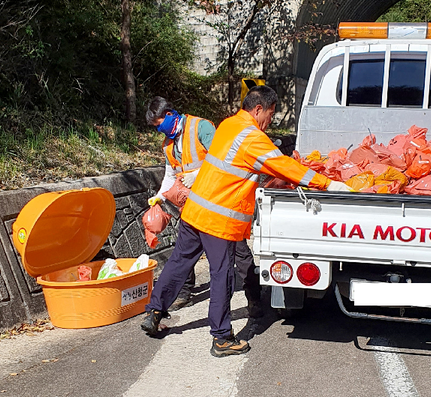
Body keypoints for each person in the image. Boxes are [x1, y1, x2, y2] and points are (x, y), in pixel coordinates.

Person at [141, 86, 352, 357]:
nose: (270, 121)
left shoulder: (229, 124)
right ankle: (221, 338)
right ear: (258, 109)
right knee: (222, 276)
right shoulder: (252, 137)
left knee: (179, 263)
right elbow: (284, 166)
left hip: (194, 211)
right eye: (271, 115)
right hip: (217, 219)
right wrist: (327, 184)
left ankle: (155, 312)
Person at [145, 96, 263, 316]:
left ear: (170, 114)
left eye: (160, 123)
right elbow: (170, 175)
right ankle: (184, 293)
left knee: (239, 253)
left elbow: (225, 158)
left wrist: (198, 174)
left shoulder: (201, 128)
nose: (160, 130)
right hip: (192, 206)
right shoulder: (168, 145)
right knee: (184, 253)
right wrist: (159, 196)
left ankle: (254, 298)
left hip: (220, 203)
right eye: (156, 127)